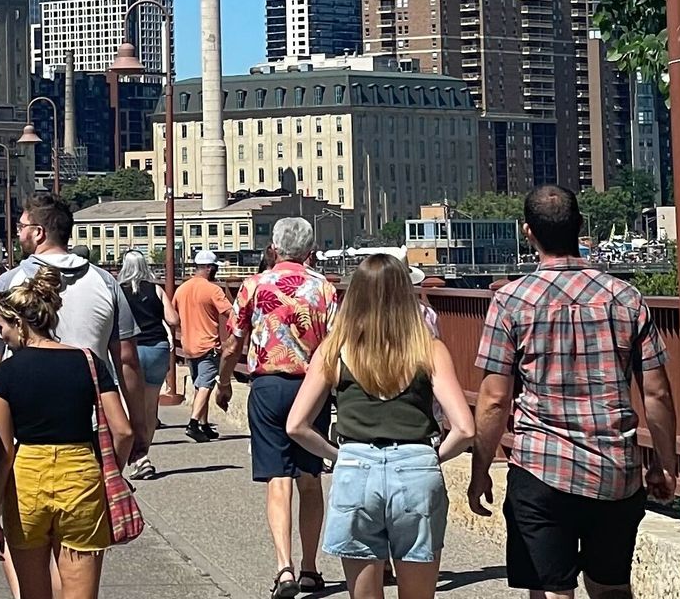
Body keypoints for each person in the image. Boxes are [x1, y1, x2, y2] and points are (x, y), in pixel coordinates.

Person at [467, 186, 676, 599]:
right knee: (611, 586)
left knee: (551, 590)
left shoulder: (510, 302)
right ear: (580, 227)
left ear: (528, 232)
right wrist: (665, 464)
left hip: (541, 470)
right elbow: (657, 394)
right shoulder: (627, 298)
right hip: (615, 471)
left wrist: (480, 470)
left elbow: (494, 399)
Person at [286, 254, 476, 599]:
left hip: (356, 467)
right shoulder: (429, 349)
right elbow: (464, 428)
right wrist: (432, 457)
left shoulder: (334, 350)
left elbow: (296, 425)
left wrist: (337, 454)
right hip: (416, 466)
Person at [0, 267, 135, 599]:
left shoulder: (5, 374)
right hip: (81, 474)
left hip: (27, 481)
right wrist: (109, 473)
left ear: (19, 324)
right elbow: (123, 430)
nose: (0, 336)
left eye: (2, 327)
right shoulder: (88, 361)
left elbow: (3, 450)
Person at [217, 217, 340, 599]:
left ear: (273, 248)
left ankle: (283, 567)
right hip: (311, 388)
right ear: (310, 250)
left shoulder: (254, 285)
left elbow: (234, 343)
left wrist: (222, 381)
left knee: (277, 478)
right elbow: (335, 345)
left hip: (268, 385)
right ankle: (309, 568)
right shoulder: (324, 289)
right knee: (310, 476)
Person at [0, 194, 145, 445]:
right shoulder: (106, 282)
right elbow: (127, 359)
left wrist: (2, 421)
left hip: (27, 425)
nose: (18, 234)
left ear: (38, 233)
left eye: (22, 227)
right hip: (92, 422)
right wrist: (139, 424)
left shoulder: (9, 283)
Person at [118, 249, 179, 479]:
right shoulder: (156, 289)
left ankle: (135, 458)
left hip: (129, 351)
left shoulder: (119, 292)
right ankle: (143, 452)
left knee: (128, 404)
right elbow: (173, 320)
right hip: (156, 349)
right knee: (150, 406)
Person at [175, 249, 231, 442]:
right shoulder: (212, 289)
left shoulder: (182, 289)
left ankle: (204, 425)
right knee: (206, 385)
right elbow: (229, 313)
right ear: (208, 268)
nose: (215, 271)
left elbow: (173, 316)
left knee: (199, 385)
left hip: (188, 345)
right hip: (207, 344)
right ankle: (192, 423)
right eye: (214, 268)